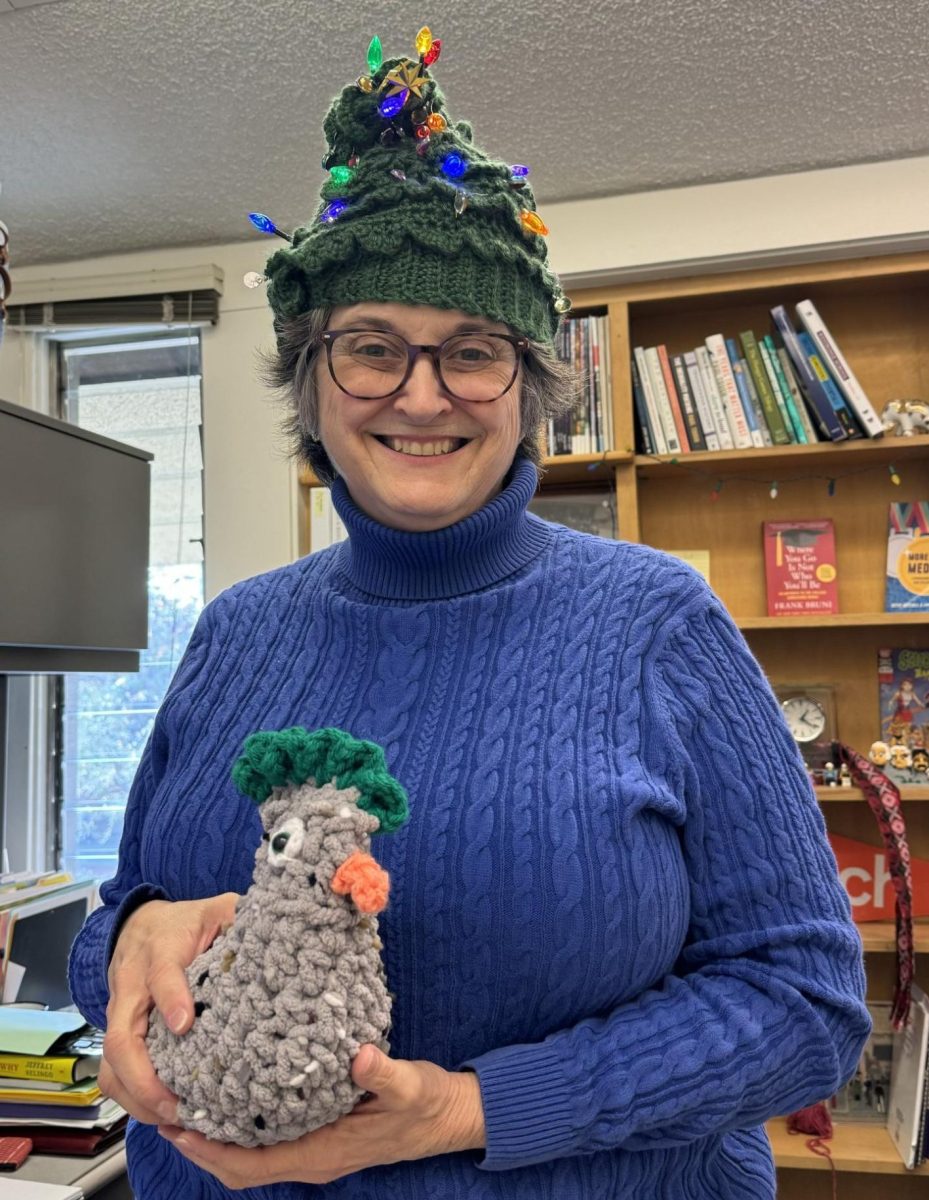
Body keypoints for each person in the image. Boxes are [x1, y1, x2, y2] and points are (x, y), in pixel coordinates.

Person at [68, 27, 870, 1200]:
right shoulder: (235, 634)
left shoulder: (658, 628)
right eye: (370, 348)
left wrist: (465, 1110)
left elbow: (802, 1004)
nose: (421, 393)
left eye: (471, 351)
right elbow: (123, 914)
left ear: (530, 382)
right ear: (310, 379)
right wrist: (124, 944)